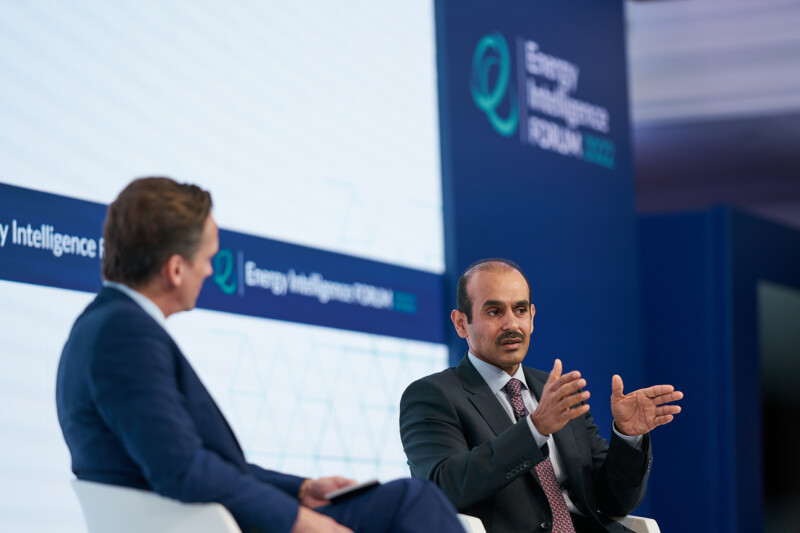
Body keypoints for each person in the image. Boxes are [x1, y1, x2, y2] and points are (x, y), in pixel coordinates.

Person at [56, 177, 465, 533]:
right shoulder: (126, 334)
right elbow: (181, 469)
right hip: (219, 525)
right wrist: (296, 519)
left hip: (212, 519)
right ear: (176, 269)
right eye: (208, 259)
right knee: (413, 501)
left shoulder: (103, 325)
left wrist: (302, 490)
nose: (211, 272)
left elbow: (195, 463)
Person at [399, 258, 683, 533]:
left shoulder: (555, 389)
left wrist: (626, 436)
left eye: (520, 310)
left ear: (532, 317)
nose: (512, 324)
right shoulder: (433, 396)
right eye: (494, 312)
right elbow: (443, 490)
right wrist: (535, 429)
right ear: (461, 323)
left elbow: (614, 501)